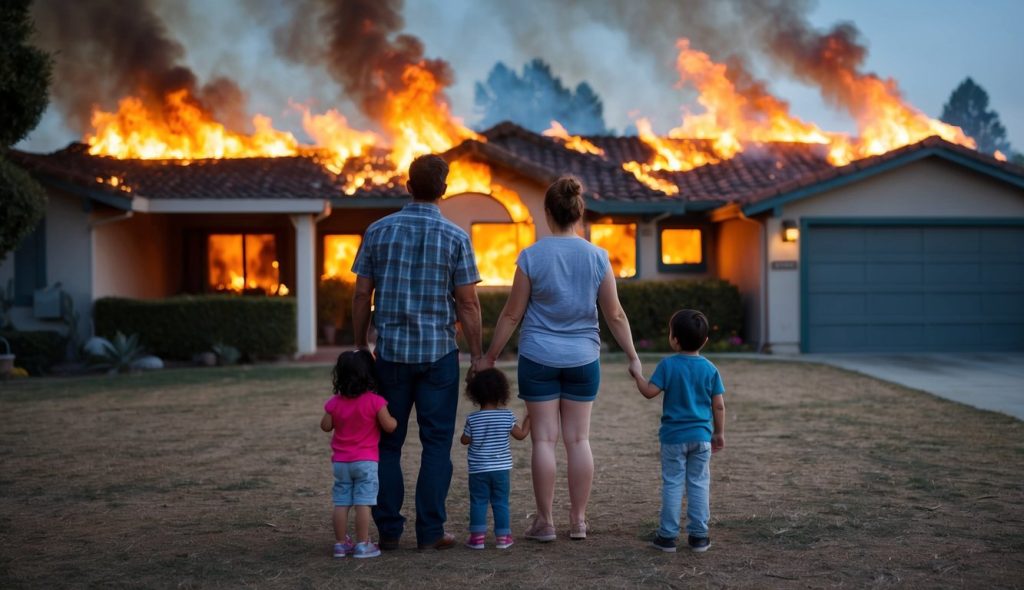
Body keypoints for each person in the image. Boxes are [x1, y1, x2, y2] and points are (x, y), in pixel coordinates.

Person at [475, 175, 642, 542]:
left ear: (548, 212)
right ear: (578, 213)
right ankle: (578, 521)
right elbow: (614, 315)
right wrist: (633, 356)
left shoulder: (532, 256)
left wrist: (489, 356)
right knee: (578, 441)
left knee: (544, 442)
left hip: (538, 357)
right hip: (584, 358)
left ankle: (546, 522)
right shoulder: (597, 257)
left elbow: (511, 314)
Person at [352, 153, 483, 551]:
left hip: (390, 357)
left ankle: (389, 530)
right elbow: (468, 304)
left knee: (387, 445)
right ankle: (430, 532)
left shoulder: (377, 231)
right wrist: (477, 356)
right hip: (439, 355)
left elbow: (361, 293)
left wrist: (361, 345)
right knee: (437, 443)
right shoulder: (457, 237)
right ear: (444, 190)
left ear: (408, 186)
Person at [629, 309, 726, 553]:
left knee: (672, 483)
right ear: (705, 340)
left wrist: (638, 375)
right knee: (699, 484)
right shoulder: (710, 369)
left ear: (673, 339)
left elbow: (649, 392)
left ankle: (667, 537)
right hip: (702, 438)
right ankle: (699, 536)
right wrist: (719, 433)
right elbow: (719, 405)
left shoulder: (668, 365)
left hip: (673, 438)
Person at [321, 350, 398, 559]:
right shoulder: (375, 401)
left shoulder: (335, 402)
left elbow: (325, 425)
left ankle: (340, 544)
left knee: (342, 501)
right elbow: (389, 426)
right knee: (363, 501)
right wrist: (395, 420)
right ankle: (363, 544)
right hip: (365, 461)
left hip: (341, 463)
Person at [460, 368, 531, 550]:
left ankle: (477, 538)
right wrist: (529, 418)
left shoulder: (473, 418)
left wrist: (472, 435)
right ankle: (503, 537)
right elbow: (521, 435)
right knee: (500, 502)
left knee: (478, 501)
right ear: (502, 392)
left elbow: (465, 440)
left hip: (478, 470)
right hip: (501, 469)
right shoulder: (507, 415)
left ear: (474, 394)